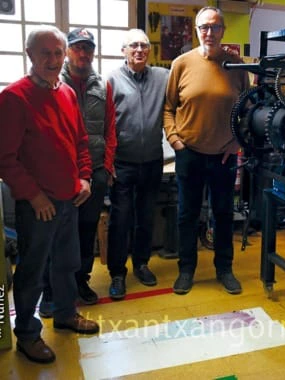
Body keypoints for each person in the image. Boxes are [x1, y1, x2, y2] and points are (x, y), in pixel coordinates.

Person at [0, 25, 100, 364]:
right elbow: (5, 158)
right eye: (46, 53)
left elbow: (80, 142)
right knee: (31, 271)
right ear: (30, 55)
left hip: (70, 198)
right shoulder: (14, 97)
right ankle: (27, 334)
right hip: (37, 206)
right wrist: (34, 196)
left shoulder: (67, 93)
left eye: (58, 53)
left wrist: (84, 177)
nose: (54, 60)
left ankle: (65, 314)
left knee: (67, 263)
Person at [164, 6, 250, 295]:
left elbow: (247, 112)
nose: (209, 33)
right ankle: (186, 270)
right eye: (204, 27)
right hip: (189, 153)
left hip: (225, 155)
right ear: (196, 30)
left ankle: (224, 268)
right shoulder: (181, 64)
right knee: (187, 215)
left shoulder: (236, 66)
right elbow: (168, 108)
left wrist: (238, 142)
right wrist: (176, 141)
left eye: (215, 27)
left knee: (224, 214)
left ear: (223, 30)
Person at [39, 27, 117, 315]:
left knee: (85, 231)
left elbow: (111, 129)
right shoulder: (52, 83)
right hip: (60, 175)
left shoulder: (102, 85)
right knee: (55, 232)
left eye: (88, 48)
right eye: (77, 48)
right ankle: (49, 289)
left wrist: (107, 168)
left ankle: (79, 281)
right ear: (68, 51)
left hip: (94, 172)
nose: (83, 53)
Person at [105, 29, 169, 300]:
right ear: (124, 50)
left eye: (144, 45)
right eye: (133, 45)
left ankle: (141, 264)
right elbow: (104, 123)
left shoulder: (162, 77)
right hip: (122, 164)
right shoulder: (111, 79)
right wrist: (107, 163)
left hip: (153, 161)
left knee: (145, 217)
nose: (139, 50)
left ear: (149, 51)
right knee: (120, 219)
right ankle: (117, 273)